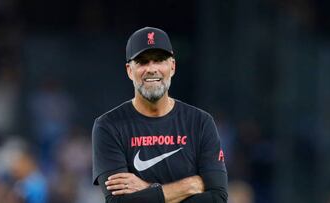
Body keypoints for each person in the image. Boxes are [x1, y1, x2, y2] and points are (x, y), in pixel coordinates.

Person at [92, 26, 228, 203]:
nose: (151, 68)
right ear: (129, 70)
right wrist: (189, 186)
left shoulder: (200, 122)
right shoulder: (109, 126)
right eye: (142, 62)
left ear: (172, 66)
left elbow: (218, 197)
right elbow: (118, 202)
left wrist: (150, 190)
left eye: (159, 60)